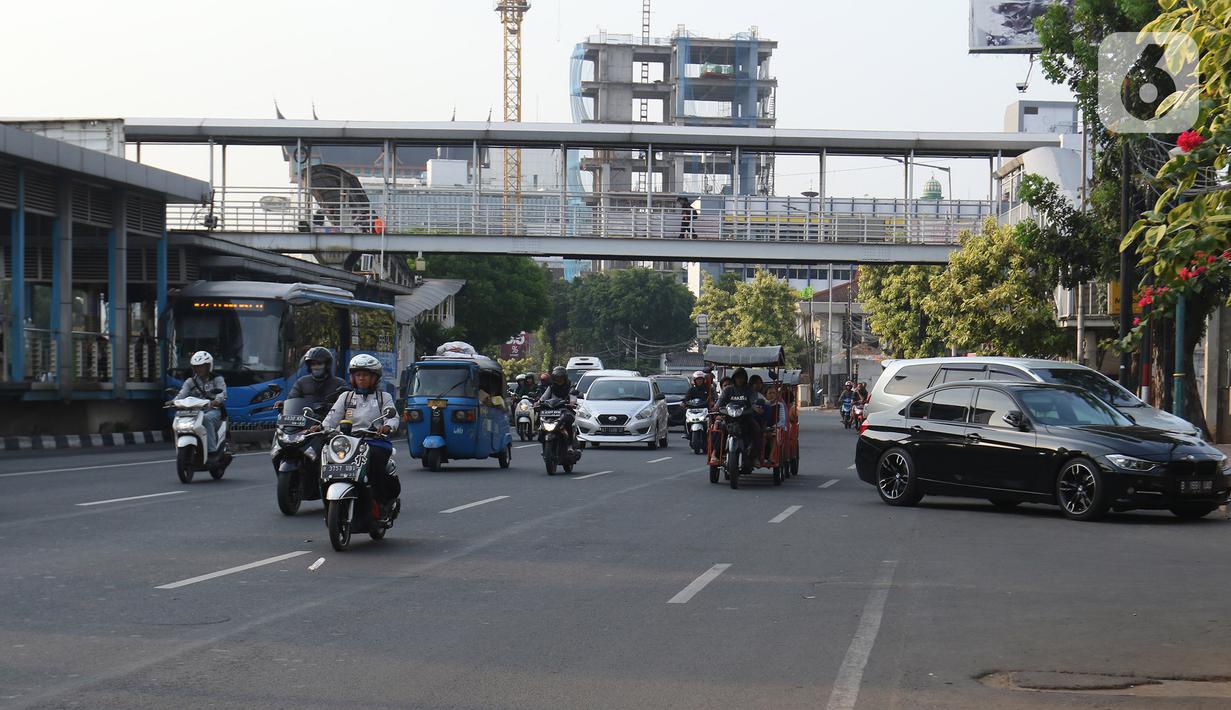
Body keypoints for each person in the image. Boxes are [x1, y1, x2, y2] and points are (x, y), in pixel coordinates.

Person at [321, 354, 401, 515]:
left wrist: (386, 427)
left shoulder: (383, 397)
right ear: (352, 377)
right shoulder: (346, 397)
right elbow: (332, 417)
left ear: (374, 378)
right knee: (325, 461)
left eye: (365, 375)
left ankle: (380, 502)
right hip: (348, 443)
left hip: (375, 441)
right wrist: (322, 428)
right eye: (358, 375)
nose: (361, 378)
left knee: (376, 462)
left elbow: (393, 417)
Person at [174, 351, 227, 456]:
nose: (199, 369)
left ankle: (212, 451)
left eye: (202, 366)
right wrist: (174, 401)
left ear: (209, 366)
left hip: (213, 411)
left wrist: (216, 401)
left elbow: (222, 393)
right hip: (194, 412)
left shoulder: (217, 379)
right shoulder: (190, 382)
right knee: (178, 419)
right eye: (197, 367)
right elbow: (181, 394)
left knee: (206, 419)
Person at [281, 347, 348, 411]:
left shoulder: (339, 383)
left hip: (330, 420)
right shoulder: (301, 382)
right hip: (305, 419)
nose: (316, 367)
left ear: (327, 365)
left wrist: (327, 406)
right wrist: (284, 405)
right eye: (313, 364)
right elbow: (292, 399)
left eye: (319, 364)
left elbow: (346, 404)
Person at [536, 366, 578, 450]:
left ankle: (570, 445)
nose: (559, 380)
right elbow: (544, 397)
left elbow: (573, 396)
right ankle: (543, 439)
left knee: (568, 423)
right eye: (557, 377)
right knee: (541, 421)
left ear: (565, 377)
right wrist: (538, 402)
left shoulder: (570, 386)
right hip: (551, 410)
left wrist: (572, 402)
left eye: (561, 377)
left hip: (565, 409)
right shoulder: (551, 387)